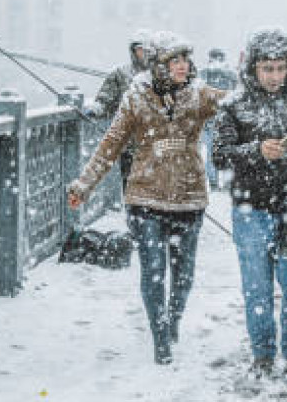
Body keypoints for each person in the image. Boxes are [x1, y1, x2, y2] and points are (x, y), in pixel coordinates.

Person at [66, 32, 227, 365]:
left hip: (189, 198)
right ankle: (160, 337)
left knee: (183, 276)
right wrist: (83, 185)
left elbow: (235, 107)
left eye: (186, 59)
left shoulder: (200, 96)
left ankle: (174, 319)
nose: (184, 65)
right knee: (153, 270)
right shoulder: (135, 97)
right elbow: (111, 144)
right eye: (175, 60)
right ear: (159, 65)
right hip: (144, 197)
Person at [211, 28, 287, 383]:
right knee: (257, 288)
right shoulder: (232, 106)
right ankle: (262, 354)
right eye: (267, 69)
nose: (275, 76)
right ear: (253, 68)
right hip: (251, 210)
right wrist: (255, 150)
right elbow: (218, 157)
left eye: (280, 68)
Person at [89, 29, 152, 195]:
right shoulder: (120, 74)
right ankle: (135, 217)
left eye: (146, 50)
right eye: (139, 50)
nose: (143, 54)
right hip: (129, 143)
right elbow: (105, 99)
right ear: (133, 51)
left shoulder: (161, 74)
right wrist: (97, 109)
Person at [199, 47, 239, 190]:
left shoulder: (203, 74)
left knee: (211, 154)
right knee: (228, 151)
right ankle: (227, 182)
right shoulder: (231, 75)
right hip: (226, 121)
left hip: (209, 121)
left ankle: (214, 182)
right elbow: (237, 95)